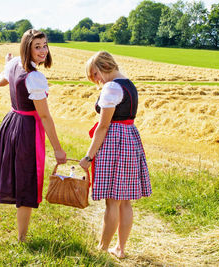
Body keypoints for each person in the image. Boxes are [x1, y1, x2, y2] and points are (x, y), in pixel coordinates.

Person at [0, 29, 66, 242]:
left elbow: (1, 81)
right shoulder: (34, 77)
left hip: (11, 123)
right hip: (27, 128)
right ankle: (22, 238)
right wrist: (57, 148)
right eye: (37, 46)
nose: (43, 50)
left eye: (45, 45)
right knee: (27, 179)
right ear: (27, 48)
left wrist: (6, 64)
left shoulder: (15, 64)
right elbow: (44, 116)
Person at [79, 51, 152, 258]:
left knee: (112, 200)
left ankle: (103, 248)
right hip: (130, 139)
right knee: (125, 200)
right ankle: (120, 249)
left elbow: (103, 127)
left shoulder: (111, 87)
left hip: (115, 143)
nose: (95, 80)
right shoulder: (128, 83)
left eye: (95, 74)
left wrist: (88, 157)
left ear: (104, 66)